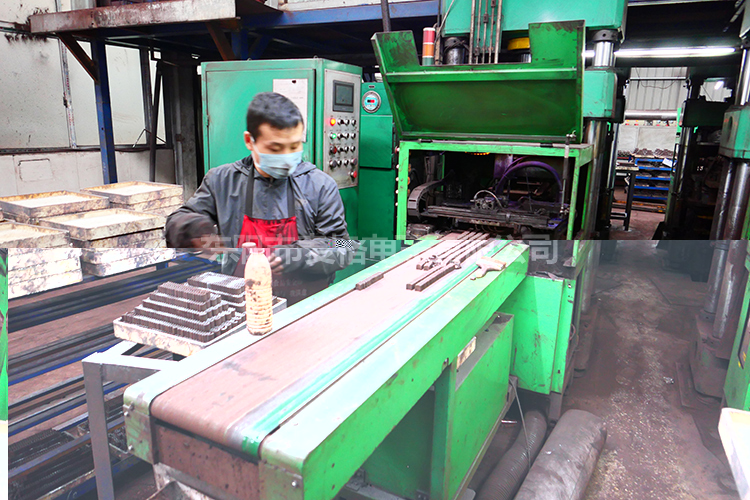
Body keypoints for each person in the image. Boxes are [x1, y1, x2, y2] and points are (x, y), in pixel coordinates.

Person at [165, 92, 356, 304]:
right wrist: (192, 227)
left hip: (304, 305)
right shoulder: (222, 181)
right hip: (240, 301)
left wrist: (297, 255)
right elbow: (177, 220)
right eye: (275, 148)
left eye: (294, 146)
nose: (286, 156)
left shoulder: (320, 185)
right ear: (250, 140)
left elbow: (343, 247)